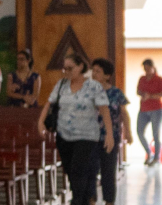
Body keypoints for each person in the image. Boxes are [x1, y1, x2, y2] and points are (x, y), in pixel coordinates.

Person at [37, 55, 113, 205]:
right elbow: (49, 103)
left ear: (80, 68)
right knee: (71, 171)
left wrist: (109, 134)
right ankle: (83, 198)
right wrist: (40, 122)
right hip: (64, 135)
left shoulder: (94, 86)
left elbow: (104, 110)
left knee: (79, 168)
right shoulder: (61, 84)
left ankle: (77, 200)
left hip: (87, 136)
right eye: (64, 68)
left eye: (70, 68)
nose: (66, 71)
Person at [90, 58, 132, 205]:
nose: (94, 74)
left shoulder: (115, 93)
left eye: (98, 71)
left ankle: (109, 201)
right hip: (90, 138)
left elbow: (124, 114)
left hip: (110, 137)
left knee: (108, 172)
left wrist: (128, 132)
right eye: (93, 71)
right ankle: (91, 200)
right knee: (91, 171)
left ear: (107, 75)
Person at [136, 59, 162, 166]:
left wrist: (152, 96)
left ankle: (157, 157)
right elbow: (138, 91)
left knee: (156, 134)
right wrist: (144, 94)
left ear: (153, 67)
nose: (146, 70)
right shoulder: (142, 79)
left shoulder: (159, 79)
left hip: (157, 109)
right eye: (144, 68)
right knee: (139, 132)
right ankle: (149, 153)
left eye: (148, 68)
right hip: (144, 109)